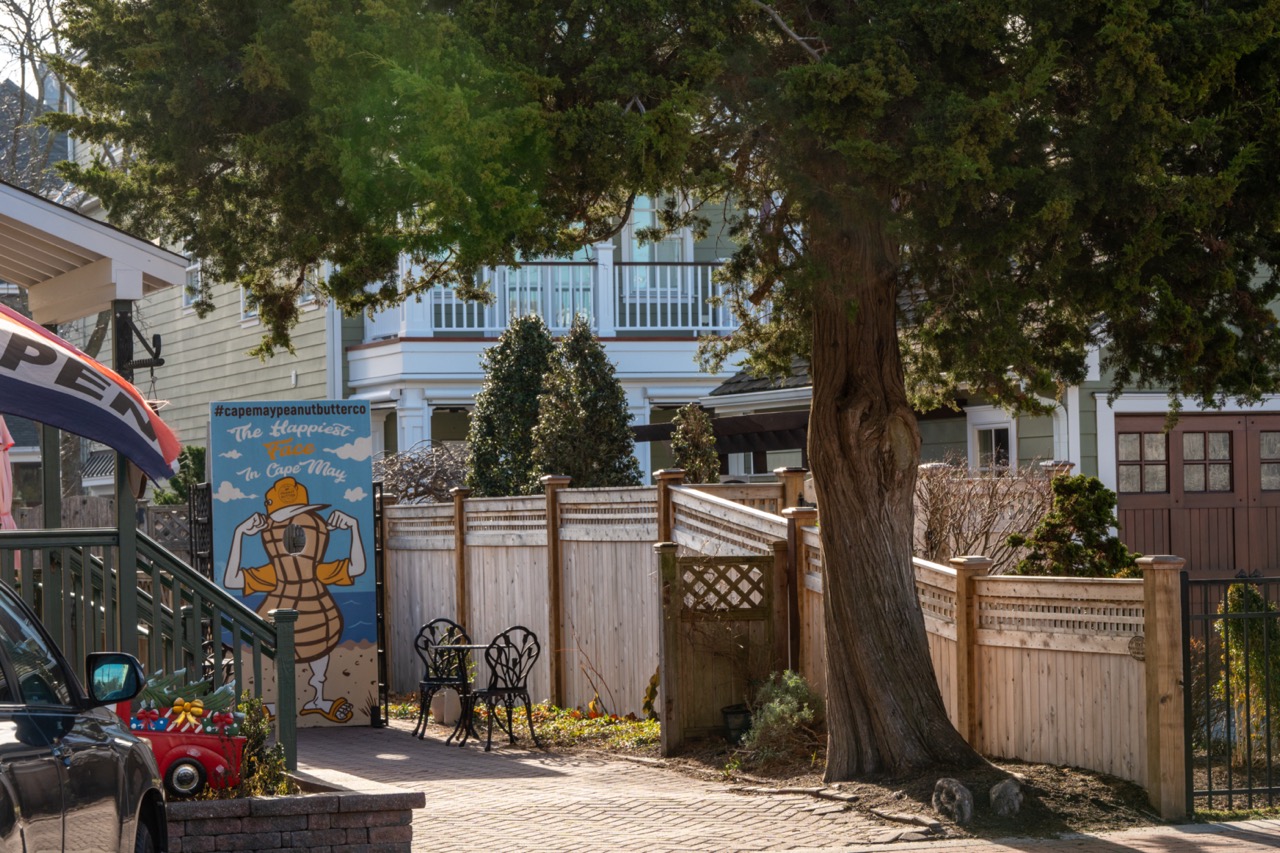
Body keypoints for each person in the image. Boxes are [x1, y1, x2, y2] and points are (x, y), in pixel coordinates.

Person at [224, 476, 365, 722]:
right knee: (270, 653)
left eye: (299, 524)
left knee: (321, 645)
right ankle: (272, 702)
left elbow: (356, 567)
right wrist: (238, 534)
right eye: (288, 526)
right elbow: (231, 581)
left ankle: (318, 698)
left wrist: (354, 527)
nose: (295, 534)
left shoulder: (316, 569)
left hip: (322, 627)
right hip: (282, 629)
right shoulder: (276, 572)